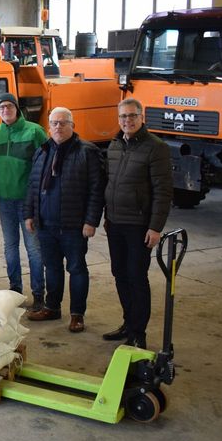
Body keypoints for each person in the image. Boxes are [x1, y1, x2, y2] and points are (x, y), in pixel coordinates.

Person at [23, 107, 104, 333]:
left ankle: (77, 314)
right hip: (45, 224)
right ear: (49, 127)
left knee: (76, 268)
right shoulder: (42, 151)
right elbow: (33, 185)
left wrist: (91, 221)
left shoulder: (87, 152)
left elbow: (96, 190)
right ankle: (52, 307)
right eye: (54, 123)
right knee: (52, 268)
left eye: (63, 122)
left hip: (74, 226)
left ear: (72, 125)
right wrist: (29, 214)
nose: (58, 126)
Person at [102, 98, 173, 348]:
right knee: (120, 274)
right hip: (115, 223)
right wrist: (106, 216)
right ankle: (128, 323)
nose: (127, 121)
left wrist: (155, 227)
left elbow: (163, 191)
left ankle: (138, 333)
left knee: (136, 277)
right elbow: (109, 184)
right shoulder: (114, 145)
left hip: (139, 226)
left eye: (132, 116)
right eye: (123, 116)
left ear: (142, 117)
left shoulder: (156, 148)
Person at [0, 93, 47, 309]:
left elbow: (46, 164)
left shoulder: (34, 131)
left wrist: (39, 197)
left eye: (9, 106)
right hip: (4, 201)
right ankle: (15, 291)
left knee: (33, 248)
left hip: (28, 202)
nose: (5, 110)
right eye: (1, 107)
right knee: (10, 246)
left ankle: (38, 294)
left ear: (17, 108)